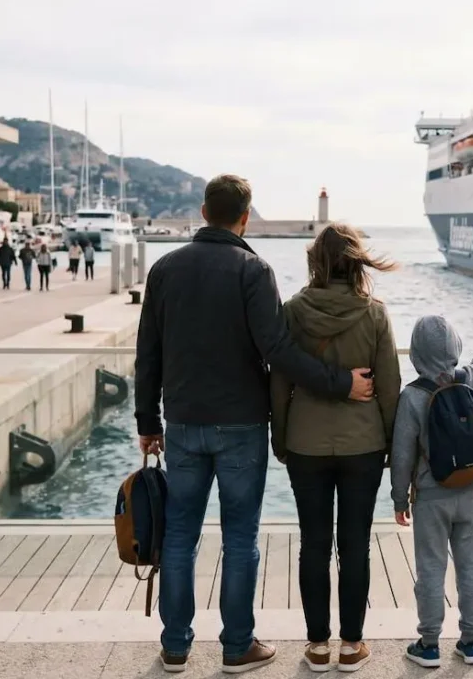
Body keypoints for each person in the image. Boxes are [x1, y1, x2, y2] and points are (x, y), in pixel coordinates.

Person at [135, 174, 376, 675]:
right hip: (242, 424)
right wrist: (340, 384)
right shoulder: (254, 271)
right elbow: (279, 352)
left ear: (203, 212)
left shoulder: (164, 270)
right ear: (246, 217)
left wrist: (147, 419)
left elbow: (148, 354)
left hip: (181, 422)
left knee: (179, 536)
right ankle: (236, 646)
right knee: (239, 538)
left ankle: (176, 646)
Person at [269, 223, 400, 673]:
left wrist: (281, 438)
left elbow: (279, 381)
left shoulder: (292, 311)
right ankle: (352, 646)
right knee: (355, 546)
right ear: (356, 262)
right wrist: (389, 444)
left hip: (305, 443)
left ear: (315, 261)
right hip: (363, 445)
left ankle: (317, 646)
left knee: (314, 545)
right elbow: (389, 387)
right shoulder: (375, 314)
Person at [390, 315, 473, 668]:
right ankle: (471, 642)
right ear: (455, 348)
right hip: (470, 492)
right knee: (471, 568)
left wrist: (398, 498)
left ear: (416, 355)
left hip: (430, 497)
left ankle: (429, 645)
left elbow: (402, 454)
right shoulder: (468, 381)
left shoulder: (411, 396)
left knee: (431, 569)